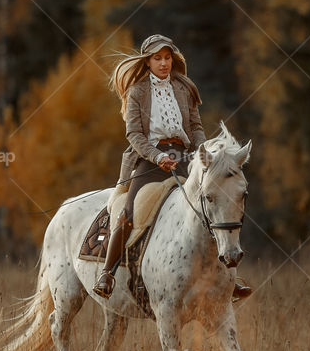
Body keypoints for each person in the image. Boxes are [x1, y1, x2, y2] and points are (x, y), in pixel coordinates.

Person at [92, 34, 253, 301]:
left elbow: (196, 127)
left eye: (167, 58)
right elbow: (134, 134)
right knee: (126, 212)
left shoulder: (184, 87)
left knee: (211, 207)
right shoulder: (137, 92)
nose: (164, 63)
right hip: (148, 161)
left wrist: (203, 151)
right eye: (157, 58)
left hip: (186, 158)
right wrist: (157, 157)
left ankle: (226, 277)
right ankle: (107, 273)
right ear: (147, 61)